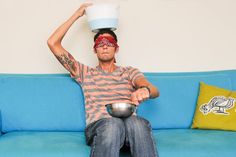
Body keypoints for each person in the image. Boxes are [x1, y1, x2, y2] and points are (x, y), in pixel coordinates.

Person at [47, 3, 160, 157]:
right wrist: (77, 14)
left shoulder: (129, 72)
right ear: (95, 49)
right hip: (101, 128)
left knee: (138, 123)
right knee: (112, 124)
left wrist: (145, 89)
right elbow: (53, 43)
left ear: (116, 48)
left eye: (109, 44)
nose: (105, 47)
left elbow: (153, 89)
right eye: (100, 44)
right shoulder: (85, 73)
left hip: (131, 129)